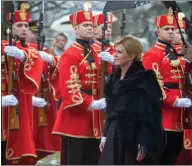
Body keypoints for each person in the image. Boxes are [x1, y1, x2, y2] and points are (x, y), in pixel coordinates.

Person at [52, 10, 108, 165]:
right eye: (85, 25)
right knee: (77, 159)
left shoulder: (97, 52)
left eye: (91, 25)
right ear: (75, 29)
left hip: (96, 115)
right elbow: (69, 86)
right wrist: (91, 103)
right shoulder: (69, 54)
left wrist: (112, 63)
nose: (90, 28)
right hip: (76, 115)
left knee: (94, 159)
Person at [98, 36, 165, 165]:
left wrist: (143, 141)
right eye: (115, 51)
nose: (114, 55)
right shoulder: (113, 78)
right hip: (114, 133)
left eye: (120, 52)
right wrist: (105, 136)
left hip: (133, 135)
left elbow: (150, 114)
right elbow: (110, 113)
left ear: (132, 56)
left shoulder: (144, 79)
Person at [142, 8, 192, 165]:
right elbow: (154, 85)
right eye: (167, 29)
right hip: (164, 114)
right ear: (158, 31)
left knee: (175, 156)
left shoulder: (181, 52)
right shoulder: (152, 54)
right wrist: (175, 100)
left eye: (173, 29)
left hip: (182, 113)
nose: (171, 32)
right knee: (160, 158)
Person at [2, 6, 44, 164]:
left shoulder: (29, 50)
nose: (24, 29)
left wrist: (23, 56)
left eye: (26, 25)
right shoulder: (2, 46)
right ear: (10, 27)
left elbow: (36, 60)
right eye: (19, 25)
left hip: (20, 107)